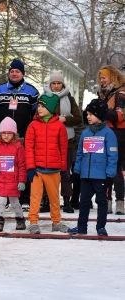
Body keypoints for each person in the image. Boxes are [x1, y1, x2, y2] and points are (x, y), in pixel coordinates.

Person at [0, 59, 39, 211]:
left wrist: (32, 134)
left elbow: (35, 115)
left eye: (17, 71)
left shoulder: (32, 91)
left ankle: (24, 198)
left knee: (22, 167)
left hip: (23, 137)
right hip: (3, 137)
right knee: (3, 166)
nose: (14, 74)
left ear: (23, 73)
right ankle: (2, 198)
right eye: (12, 71)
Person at [69, 99, 118, 236]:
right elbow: (79, 154)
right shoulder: (85, 133)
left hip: (101, 176)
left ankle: (101, 227)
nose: (88, 117)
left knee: (101, 202)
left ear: (100, 116)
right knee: (84, 202)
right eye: (87, 114)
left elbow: (112, 156)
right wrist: (76, 171)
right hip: (85, 176)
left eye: (91, 114)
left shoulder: (109, 134)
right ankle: (81, 227)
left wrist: (110, 175)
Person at [25, 93, 69, 234]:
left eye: (43, 106)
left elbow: (63, 148)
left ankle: (56, 221)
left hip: (54, 169)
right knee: (35, 198)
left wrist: (63, 167)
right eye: (38, 105)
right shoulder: (33, 125)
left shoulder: (60, 126)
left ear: (50, 108)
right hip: (37, 169)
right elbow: (29, 148)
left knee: (54, 198)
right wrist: (30, 167)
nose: (39, 108)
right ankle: (33, 222)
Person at [43, 70, 82, 213]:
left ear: (62, 84)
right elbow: (38, 116)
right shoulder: (44, 98)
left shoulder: (70, 99)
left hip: (67, 140)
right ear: (50, 84)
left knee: (65, 172)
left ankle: (66, 201)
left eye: (59, 83)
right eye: (54, 83)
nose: (56, 86)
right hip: (48, 141)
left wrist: (65, 119)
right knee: (46, 172)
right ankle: (46, 200)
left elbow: (78, 118)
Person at [0, 117, 26, 232]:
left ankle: (20, 219)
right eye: (4, 133)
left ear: (14, 134)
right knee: (1, 202)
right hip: (0, 180)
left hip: (13, 181)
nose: (6, 136)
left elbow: (22, 165)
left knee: (15, 203)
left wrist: (22, 181)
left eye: (9, 133)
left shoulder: (18, 147)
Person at [97, 66, 125, 215]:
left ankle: (120, 202)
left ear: (113, 77)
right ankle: (105, 201)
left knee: (116, 170)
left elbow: (120, 116)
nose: (102, 80)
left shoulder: (121, 94)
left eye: (104, 77)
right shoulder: (102, 94)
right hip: (103, 133)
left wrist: (101, 110)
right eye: (100, 77)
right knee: (104, 169)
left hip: (118, 134)